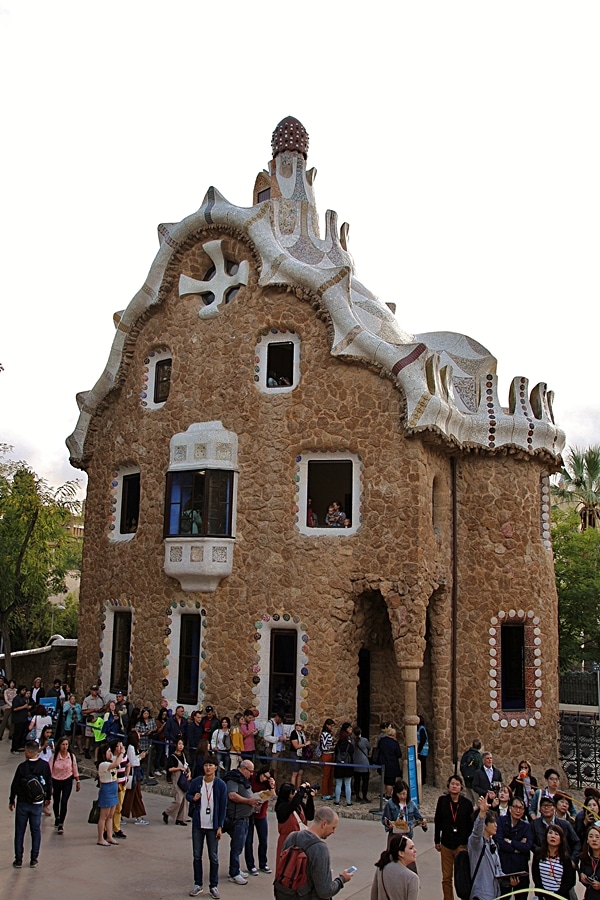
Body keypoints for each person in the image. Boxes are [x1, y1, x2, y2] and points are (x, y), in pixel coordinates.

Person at [275, 806, 354, 900]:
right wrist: (342, 879)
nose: (333, 832)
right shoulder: (320, 849)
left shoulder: (292, 837)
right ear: (324, 824)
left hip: (286, 894)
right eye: (333, 827)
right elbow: (325, 891)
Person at [187, 754, 228, 898]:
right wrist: (193, 798)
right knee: (197, 855)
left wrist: (220, 826)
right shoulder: (198, 782)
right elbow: (188, 794)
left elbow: (223, 807)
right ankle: (198, 884)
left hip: (213, 825)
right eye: (206, 765)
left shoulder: (221, 785)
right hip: (198, 824)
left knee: (213, 856)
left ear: (216, 768)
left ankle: (213, 886)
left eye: (211, 765)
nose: (208, 768)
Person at [9, 739, 52, 868]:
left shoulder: (22, 767)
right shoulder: (44, 766)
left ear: (28, 751)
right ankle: (34, 858)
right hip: (37, 803)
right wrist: (48, 798)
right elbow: (49, 783)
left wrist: (12, 799)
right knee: (35, 830)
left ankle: (18, 859)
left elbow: (15, 784)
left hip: (23, 803)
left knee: (20, 831)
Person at [434, 774, 474, 900]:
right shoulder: (442, 801)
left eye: (457, 784)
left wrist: (468, 843)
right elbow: (438, 821)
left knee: (462, 875)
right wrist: (437, 840)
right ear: (448, 786)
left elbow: (470, 825)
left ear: (461, 787)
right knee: (446, 877)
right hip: (446, 843)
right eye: (452, 784)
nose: (454, 786)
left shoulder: (467, 804)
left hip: (461, 844)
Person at [225, 758, 261, 884]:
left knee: (240, 845)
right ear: (244, 769)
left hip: (246, 818)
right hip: (237, 818)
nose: (251, 774)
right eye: (250, 771)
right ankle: (233, 873)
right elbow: (232, 795)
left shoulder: (244, 780)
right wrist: (248, 801)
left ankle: (236, 868)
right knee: (236, 846)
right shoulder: (234, 778)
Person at [468, 795, 507, 900]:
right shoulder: (475, 843)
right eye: (493, 822)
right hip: (481, 894)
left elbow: (498, 871)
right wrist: (482, 813)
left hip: (495, 893)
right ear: (485, 825)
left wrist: (508, 880)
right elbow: (476, 832)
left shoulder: (493, 843)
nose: (496, 825)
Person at [496, 795, 533, 896]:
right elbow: (500, 842)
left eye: (521, 808)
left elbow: (527, 847)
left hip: (521, 868)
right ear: (510, 808)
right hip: (504, 868)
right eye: (515, 807)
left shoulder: (526, 826)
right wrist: (516, 848)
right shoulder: (501, 821)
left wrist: (511, 842)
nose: (518, 811)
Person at [244, 765, 276, 876]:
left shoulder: (268, 784)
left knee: (263, 840)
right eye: (264, 776)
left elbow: (273, 797)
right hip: (249, 813)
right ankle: (250, 865)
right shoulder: (252, 778)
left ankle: (263, 863)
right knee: (248, 841)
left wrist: (272, 786)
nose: (264, 779)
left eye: (267, 778)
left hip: (261, 814)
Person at [382, 780, 426, 857]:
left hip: (407, 834)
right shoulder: (390, 804)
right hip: (395, 835)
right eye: (399, 794)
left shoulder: (411, 804)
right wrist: (389, 825)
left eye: (404, 794)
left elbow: (419, 818)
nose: (402, 796)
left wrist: (423, 823)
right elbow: (384, 819)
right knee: (393, 857)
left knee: (407, 857)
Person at [533, 822, 576, 899]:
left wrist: (556, 895)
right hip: (542, 896)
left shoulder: (566, 858)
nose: (552, 836)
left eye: (556, 834)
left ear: (561, 839)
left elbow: (570, 881)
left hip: (559, 896)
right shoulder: (538, 854)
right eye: (550, 833)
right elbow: (535, 876)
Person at [275, 780, 316, 860]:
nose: (295, 794)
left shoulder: (299, 805)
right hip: (286, 843)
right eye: (293, 793)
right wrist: (301, 789)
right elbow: (292, 805)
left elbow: (310, 816)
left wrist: (310, 798)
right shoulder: (281, 808)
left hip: (301, 842)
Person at [371, 834, 420, 900]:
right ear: (401, 853)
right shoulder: (412, 878)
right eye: (411, 848)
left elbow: (374, 896)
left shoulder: (381, 868)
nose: (415, 850)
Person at [96, 740, 125, 845]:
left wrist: (119, 749)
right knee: (103, 816)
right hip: (107, 789)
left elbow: (117, 758)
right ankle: (100, 838)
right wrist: (122, 752)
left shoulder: (109, 762)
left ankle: (109, 836)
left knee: (110, 816)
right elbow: (117, 763)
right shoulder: (103, 764)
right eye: (108, 752)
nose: (110, 754)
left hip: (113, 788)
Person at [121, 729, 149, 825]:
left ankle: (138, 816)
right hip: (132, 774)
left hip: (136, 774)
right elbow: (133, 762)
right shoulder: (131, 748)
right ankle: (122, 814)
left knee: (136, 795)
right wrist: (141, 757)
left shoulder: (134, 747)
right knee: (131, 795)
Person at [163, 736, 191, 825]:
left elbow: (187, 766)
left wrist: (189, 773)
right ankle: (167, 812)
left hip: (183, 778)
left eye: (182, 744)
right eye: (179, 744)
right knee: (178, 800)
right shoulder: (172, 757)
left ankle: (180, 818)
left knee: (184, 800)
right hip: (176, 778)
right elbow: (169, 769)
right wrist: (178, 768)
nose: (181, 746)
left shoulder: (184, 755)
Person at [377, 726, 403, 799]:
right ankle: (388, 795)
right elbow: (399, 754)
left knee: (384, 779)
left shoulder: (382, 741)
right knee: (390, 781)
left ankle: (383, 794)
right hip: (392, 764)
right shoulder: (394, 743)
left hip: (382, 763)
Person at [81, 685, 105, 758]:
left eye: (96, 690)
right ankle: (87, 750)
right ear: (91, 691)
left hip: (98, 720)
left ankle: (95, 751)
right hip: (90, 719)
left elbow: (102, 708)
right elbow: (83, 711)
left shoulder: (100, 699)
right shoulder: (87, 700)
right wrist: (93, 710)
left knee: (97, 736)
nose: (95, 691)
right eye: (93, 690)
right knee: (89, 735)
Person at [334, 722, 354, 807]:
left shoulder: (338, 745)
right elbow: (352, 752)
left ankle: (337, 801)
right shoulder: (349, 745)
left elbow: (335, 753)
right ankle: (348, 802)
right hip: (347, 766)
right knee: (347, 784)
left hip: (339, 766)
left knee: (338, 784)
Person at [136, 706, 158, 784]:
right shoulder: (139, 722)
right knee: (141, 758)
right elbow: (136, 731)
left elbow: (155, 728)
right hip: (142, 741)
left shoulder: (151, 720)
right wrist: (143, 734)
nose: (146, 715)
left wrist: (151, 731)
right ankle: (139, 772)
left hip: (149, 742)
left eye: (147, 713)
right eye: (144, 713)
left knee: (150, 758)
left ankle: (149, 772)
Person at [579, 821, 600, 899]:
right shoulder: (585, 858)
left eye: (597, 837)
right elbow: (582, 872)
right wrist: (582, 877)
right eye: (591, 836)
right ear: (587, 840)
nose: (594, 839)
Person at [460, 739, 483, 807]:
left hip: (467, 779)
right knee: (478, 801)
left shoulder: (466, 754)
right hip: (475, 781)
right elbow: (480, 769)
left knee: (469, 800)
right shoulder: (477, 756)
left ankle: (469, 814)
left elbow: (462, 766)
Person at [352, 726, 372, 802]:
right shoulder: (364, 740)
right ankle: (364, 796)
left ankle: (357, 796)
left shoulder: (353, 741)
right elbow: (369, 747)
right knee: (365, 781)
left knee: (356, 780)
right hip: (364, 763)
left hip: (356, 762)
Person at [289, 719, 311, 787]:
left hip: (302, 754)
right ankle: (292, 790)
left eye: (299, 725)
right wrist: (305, 744)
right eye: (296, 725)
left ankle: (299, 789)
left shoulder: (302, 734)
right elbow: (296, 746)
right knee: (295, 772)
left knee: (300, 772)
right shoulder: (293, 733)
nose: (298, 726)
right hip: (295, 754)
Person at [318, 718, 336, 800]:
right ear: (327, 726)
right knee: (326, 775)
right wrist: (333, 747)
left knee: (331, 775)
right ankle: (324, 793)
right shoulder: (325, 734)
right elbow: (324, 747)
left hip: (331, 755)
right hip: (327, 755)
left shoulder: (328, 734)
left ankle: (330, 792)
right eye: (331, 726)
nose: (332, 728)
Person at [11, 685, 32, 753]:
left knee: (22, 734)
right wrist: (23, 707)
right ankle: (14, 748)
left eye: (25, 690)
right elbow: (15, 708)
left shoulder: (24, 698)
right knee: (17, 734)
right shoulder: (16, 699)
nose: (24, 691)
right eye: (23, 690)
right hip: (18, 719)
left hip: (24, 719)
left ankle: (19, 746)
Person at [417, 716, 429, 783]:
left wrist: (419, 750)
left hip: (422, 751)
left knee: (422, 765)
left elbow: (423, 740)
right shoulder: (419, 729)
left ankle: (423, 779)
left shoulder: (421, 729)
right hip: (421, 750)